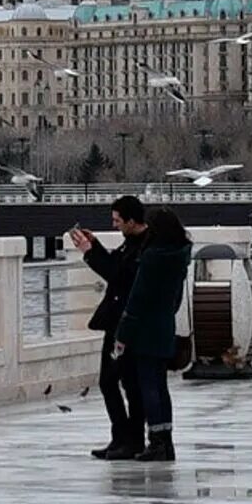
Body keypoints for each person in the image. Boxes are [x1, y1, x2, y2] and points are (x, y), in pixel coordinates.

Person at [68, 195, 148, 460]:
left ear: (132, 221)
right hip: (116, 323)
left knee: (129, 384)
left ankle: (132, 439)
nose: (114, 226)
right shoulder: (132, 245)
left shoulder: (143, 248)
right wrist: (96, 246)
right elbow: (116, 265)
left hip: (129, 324)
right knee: (109, 382)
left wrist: (89, 253)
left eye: (117, 221)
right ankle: (121, 437)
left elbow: (118, 276)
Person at [111, 206, 192, 462]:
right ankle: (165, 441)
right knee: (161, 387)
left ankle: (156, 442)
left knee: (148, 387)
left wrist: (122, 334)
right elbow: (177, 297)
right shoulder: (180, 256)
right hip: (164, 326)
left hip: (145, 330)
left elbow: (137, 298)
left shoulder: (152, 257)